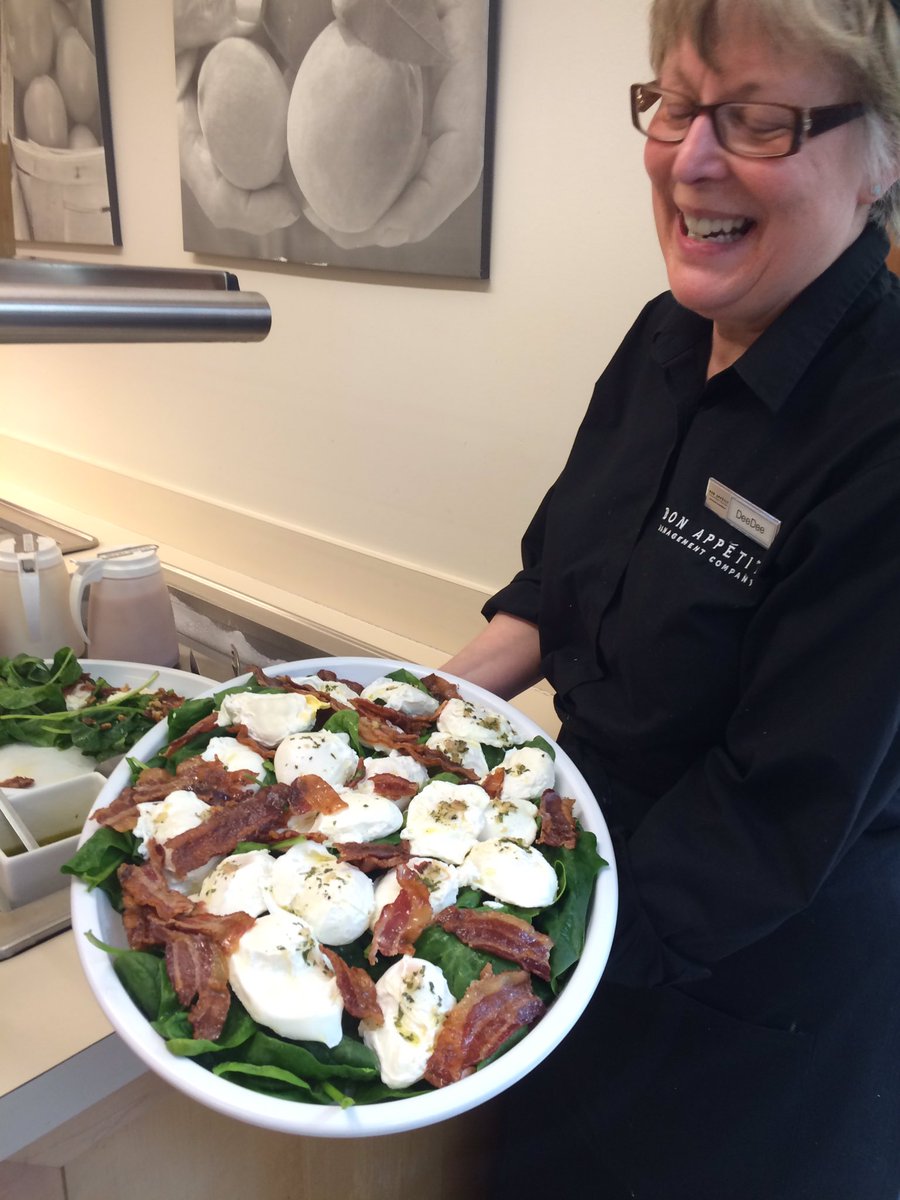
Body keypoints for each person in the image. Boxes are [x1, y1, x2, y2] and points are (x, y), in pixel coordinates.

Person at [442, 1, 900, 1197]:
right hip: (580, 894)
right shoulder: (664, 336)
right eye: (677, 105)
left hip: (747, 999)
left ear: (885, 155)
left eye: (754, 119)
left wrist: (493, 949)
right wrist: (414, 708)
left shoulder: (883, 425)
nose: (691, 157)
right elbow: (559, 585)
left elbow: (770, 817)